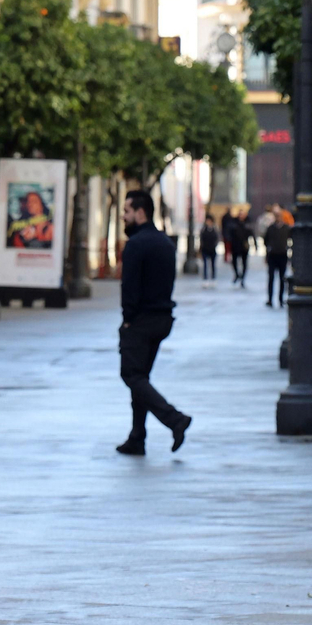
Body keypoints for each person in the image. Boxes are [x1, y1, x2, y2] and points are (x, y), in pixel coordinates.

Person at [116, 190, 191, 456]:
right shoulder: (165, 244)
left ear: (140, 212)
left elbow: (130, 287)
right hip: (162, 319)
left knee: (132, 375)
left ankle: (175, 419)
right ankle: (137, 437)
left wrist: (127, 320)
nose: (123, 217)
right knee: (141, 378)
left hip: (141, 321)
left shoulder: (136, 245)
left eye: (126, 211)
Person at [263, 206, 291, 307]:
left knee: (282, 279)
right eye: (276, 216)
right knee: (271, 278)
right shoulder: (270, 228)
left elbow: (291, 239)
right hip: (272, 256)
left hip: (282, 255)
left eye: (279, 215)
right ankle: (270, 299)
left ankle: (280, 299)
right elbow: (265, 241)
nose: (278, 217)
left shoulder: (286, 228)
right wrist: (268, 251)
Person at [227, 211, 251, 288]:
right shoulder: (233, 223)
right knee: (234, 261)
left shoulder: (247, 223)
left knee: (244, 263)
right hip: (235, 245)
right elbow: (228, 232)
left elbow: (251, 233)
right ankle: (237, 274)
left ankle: (243, 278)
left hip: (244, 246)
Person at [199, 214, 220, 285]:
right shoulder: (204, 229)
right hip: (205, 249)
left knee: (213, 265)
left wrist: (215, 245)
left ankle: (213, 278)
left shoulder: (215, 229)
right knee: (205, 265)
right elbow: (201, 239)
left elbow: (217, 238)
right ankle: (205, 279)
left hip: (212, 249)